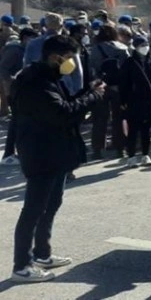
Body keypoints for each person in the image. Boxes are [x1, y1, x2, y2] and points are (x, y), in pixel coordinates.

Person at [10, 35, 105, 282]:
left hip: (56, 150)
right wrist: (92, 98)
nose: (72, 63)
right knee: (33, 209)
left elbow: (66, 105)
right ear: (56, 57)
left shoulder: (50, 78)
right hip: (41, 152)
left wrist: (88, 92)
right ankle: (21, 265)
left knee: (51, 204)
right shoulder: (34, 82)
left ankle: (42, 253)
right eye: (70, 58)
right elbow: (62, 113)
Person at [119, 36, 151, 168]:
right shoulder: (129, 62)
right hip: (133, 100)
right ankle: (131, 156)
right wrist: (123, 100)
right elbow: (123, 83)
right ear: (136, 48)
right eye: (141, 45)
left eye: (146, 44)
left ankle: (145, 154)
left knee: (146, 130)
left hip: (148, 100)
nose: (145, 47)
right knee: (132, 130)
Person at [89, 26, 130, 160]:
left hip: (101, 86)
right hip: (118, 87)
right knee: (119, 118)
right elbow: (128, 67)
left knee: (100, 118)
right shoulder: (123, 47)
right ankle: (120, 148)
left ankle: (97, 149)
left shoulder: (95, 49)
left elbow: (91, 70)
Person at [0, 28, 38, 167]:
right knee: (16, 122)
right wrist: (15, 81)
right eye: (31, 38)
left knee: (19, 122)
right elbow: (3, 69)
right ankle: (9, 154)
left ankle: (15, 152)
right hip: (15, 92)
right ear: (24, 38)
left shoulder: (26, 51)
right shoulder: (14, 50)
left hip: (22, 91)